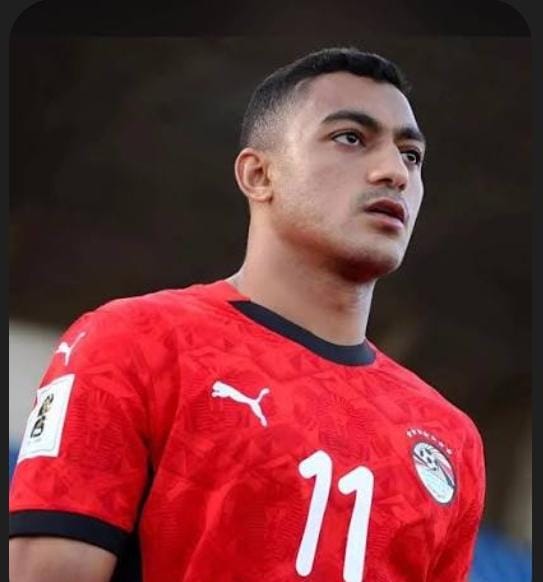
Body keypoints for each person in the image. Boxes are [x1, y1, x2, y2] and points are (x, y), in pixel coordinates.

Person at [9, 46, 485, 582]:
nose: (394, 171)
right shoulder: (133, 342)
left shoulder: (450, 438)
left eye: (411, 155)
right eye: (351, 137)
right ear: (259, 174)